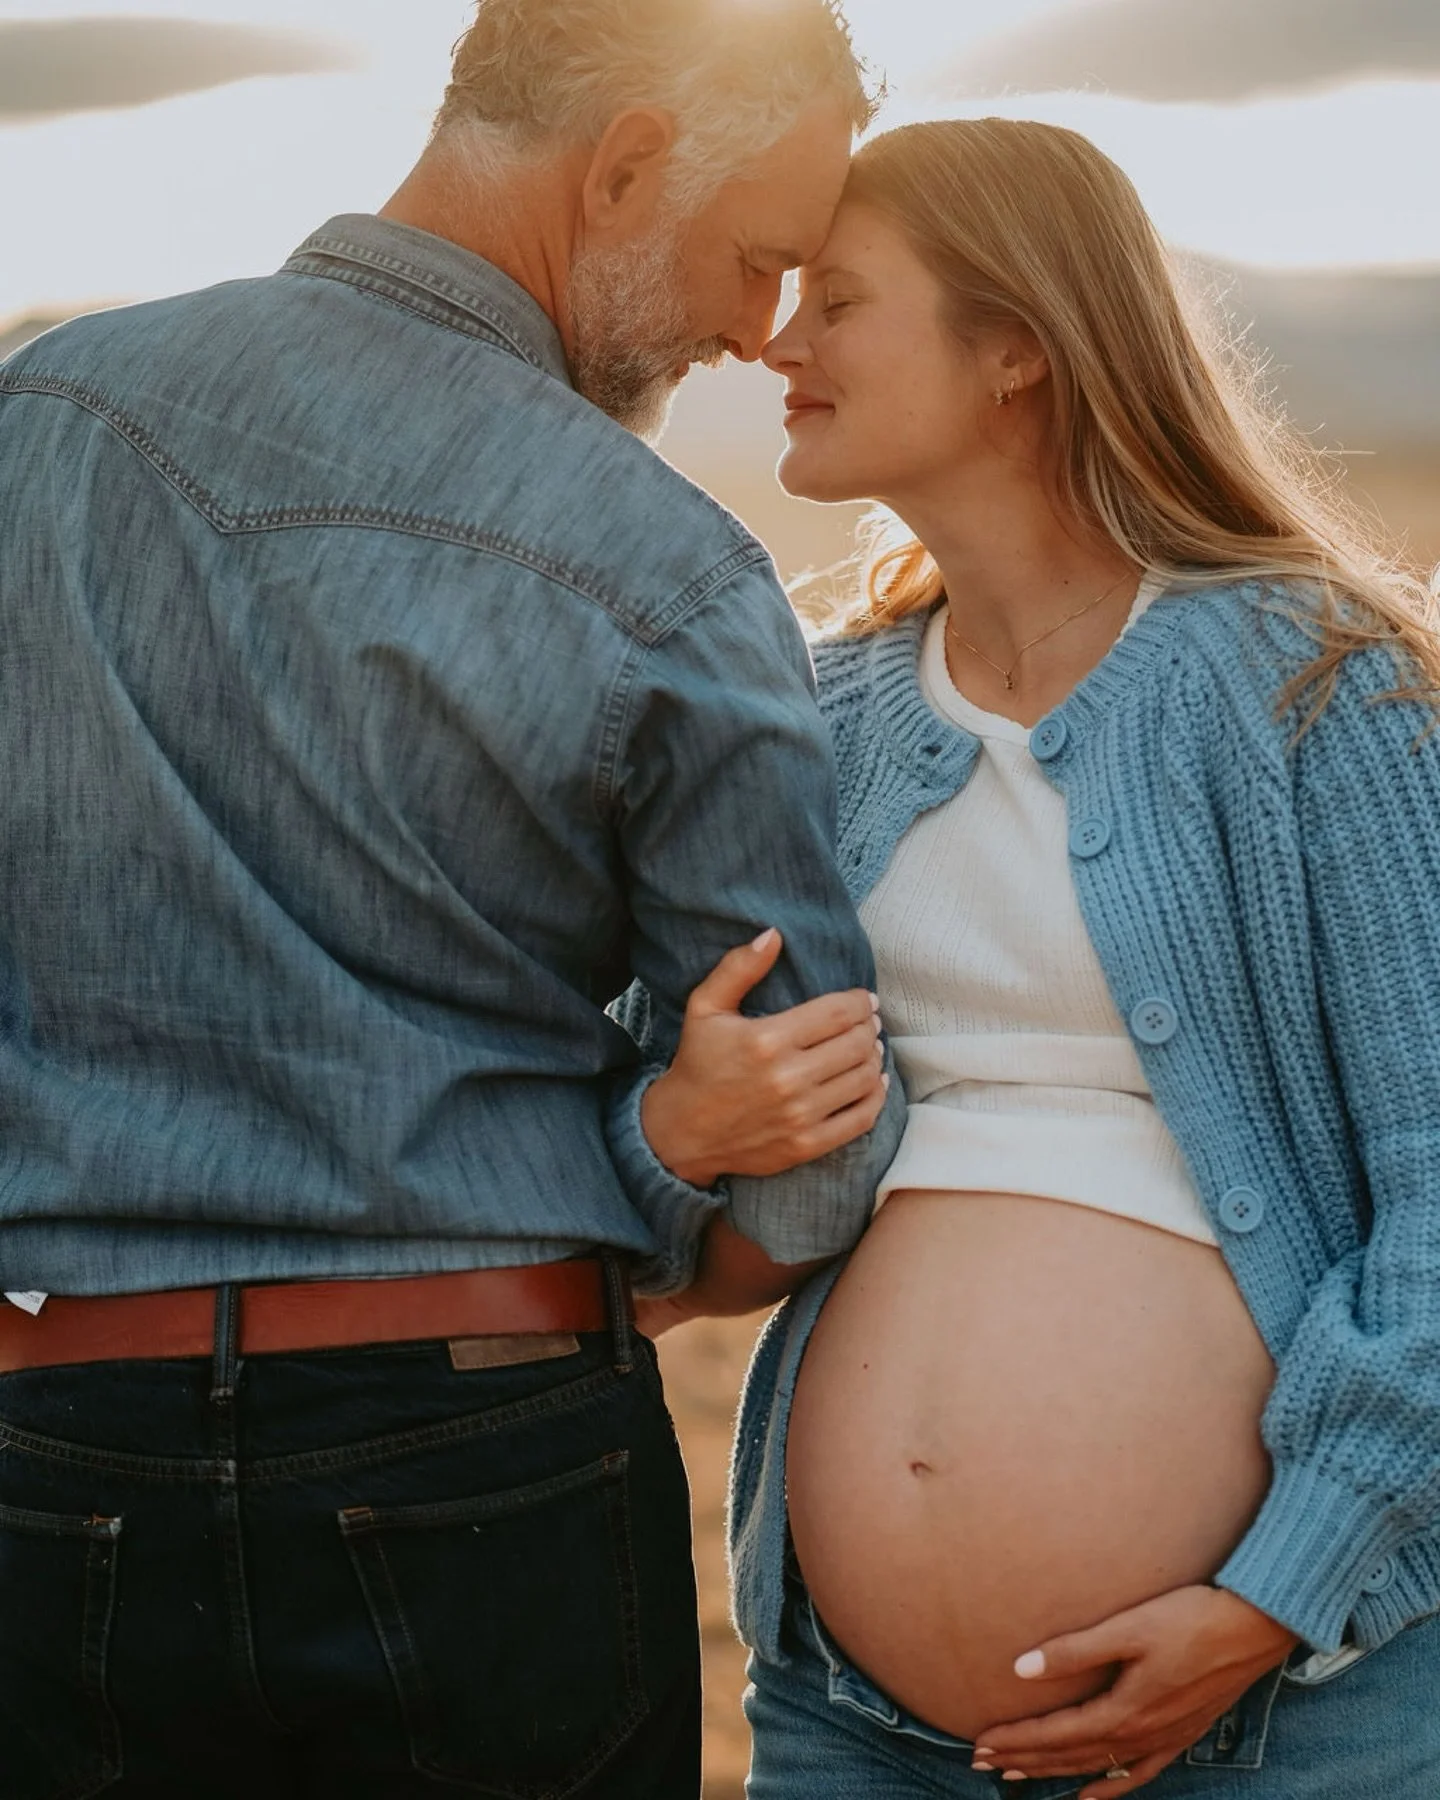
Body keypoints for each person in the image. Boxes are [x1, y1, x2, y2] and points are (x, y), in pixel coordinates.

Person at [0, 2, 904, 1792]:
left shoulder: (37, 420)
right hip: (485, 1455)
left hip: (52, 1446)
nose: (753, 331)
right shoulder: (666, 562)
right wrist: (641, 1173)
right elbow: (810, 1145)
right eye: (756, 261)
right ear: (627, 158)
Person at [646, 118, 1440, 1798]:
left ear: (1016, 347)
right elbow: (658, 1123)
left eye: (841, 301)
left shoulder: (1313, 682)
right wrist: (683, 1118)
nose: (780, 343)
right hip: (852, 1722)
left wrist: (1269, 1598)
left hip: (1288, 1708)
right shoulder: (822, 716)